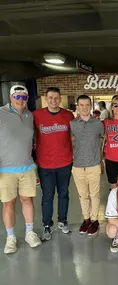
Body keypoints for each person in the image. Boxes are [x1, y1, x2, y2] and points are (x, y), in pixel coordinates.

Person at [0, 85, 41, 254]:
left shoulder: (29, 115)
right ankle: (11, 237)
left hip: (27, 167)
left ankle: (29, 233)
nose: (21, 100)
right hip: (6, 169)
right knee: (8, 203)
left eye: (24, 97)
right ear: (11, 97)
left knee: (27, 200)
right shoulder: (1, 113)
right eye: (17, 97)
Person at [33, 87, 74, 241]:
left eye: (56, 97)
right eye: (50, 97)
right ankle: (47, 225)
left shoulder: (68, 115)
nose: (53, 100)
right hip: (45, 164)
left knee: (64, 193)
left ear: (60, 99)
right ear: (46, 98)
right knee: (47, 196)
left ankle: (63, 221)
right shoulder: (36, 115)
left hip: (65, 162)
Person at [70, 95, 104, 235]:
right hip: (77, 165)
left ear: (91, 106)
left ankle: (95, 220)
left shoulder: (98, 124)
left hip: (93, 165)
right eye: (81, 105)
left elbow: (103, 140)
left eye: (87, 105)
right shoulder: (72, 124)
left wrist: (100, 158)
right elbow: (71, 140)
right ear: (77, 107)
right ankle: (86, 219)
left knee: (94, 195)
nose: (84, 108)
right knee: (82, 195)